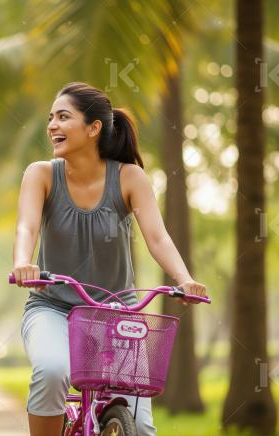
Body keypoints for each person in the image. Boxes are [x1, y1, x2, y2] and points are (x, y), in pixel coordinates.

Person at [11, 82, 207, 436]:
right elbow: (26, 227)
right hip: (52, 308)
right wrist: (24, 262)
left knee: (142, 429)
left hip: (117, 314)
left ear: (93, 128)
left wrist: (184, 278)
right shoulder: (41, 174)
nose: (52, 125)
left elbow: (158, 237)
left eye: (63, 117)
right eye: (50, 118)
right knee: (52, 370)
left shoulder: (128, 177)